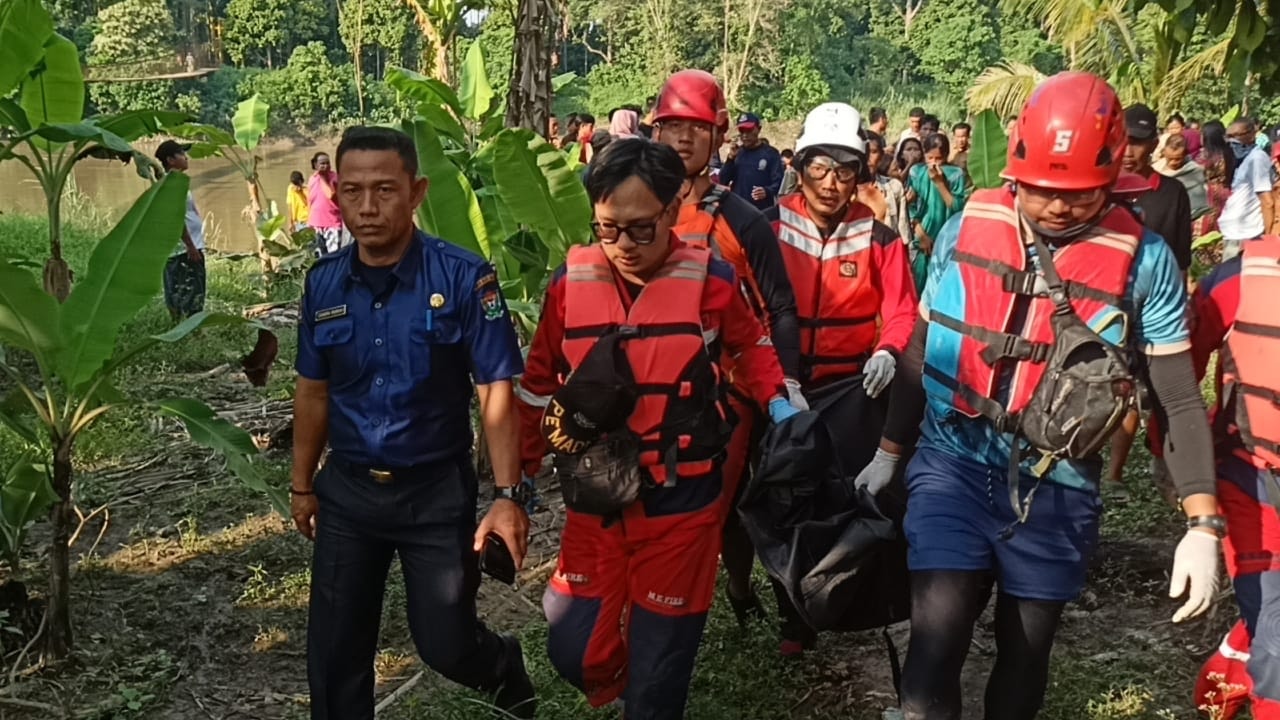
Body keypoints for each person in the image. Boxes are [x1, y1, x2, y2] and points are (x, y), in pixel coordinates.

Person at [853, 72, 1222, 720]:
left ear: (1111, 180)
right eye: (1040, 190)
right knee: (936, 637)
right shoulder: (967, 227)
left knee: (1025, 652)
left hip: (1058, 481)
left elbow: (1178, 395)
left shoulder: (1147, 262)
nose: (1056, 207)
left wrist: (1202, 522)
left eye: (1077, 195)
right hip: (952, 461)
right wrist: (890, 452)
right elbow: (922, 345)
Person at [516, 138, 796, 719]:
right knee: (572, 646)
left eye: (641, 228)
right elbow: (538, 380)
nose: (623, 244)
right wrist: (516, 475)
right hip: (597, 493)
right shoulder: (569, 285)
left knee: (659, 671)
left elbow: (751, 345)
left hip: (682, 500)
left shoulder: (713, 280)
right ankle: (625, 674)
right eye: (607, 228)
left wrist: (780, 401)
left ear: (672, 210)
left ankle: (646, 690)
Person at [290, 126, 536, 720]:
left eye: (385, 190)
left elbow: (495, 389)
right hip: (349, 491)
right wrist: (301, 485)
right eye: (353, 192)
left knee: (446, 644)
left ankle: (502, 664)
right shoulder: (323, 283)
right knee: (334, 657)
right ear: (336, 195)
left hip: (434, 492)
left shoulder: (463, 277)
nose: (367, 207)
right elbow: (313, 391)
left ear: (417, 192)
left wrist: (507, 496)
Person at [647, 68, 803, 632]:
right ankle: (734, 590)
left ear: (717, 135)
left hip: (732, 389)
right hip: (655, 386)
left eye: (696, 127)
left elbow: (780, 307)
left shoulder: (742, 220)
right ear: (656, 132)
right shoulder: (636, 214)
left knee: (740, 503)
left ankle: (781, 608)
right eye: (672, 126)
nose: (683, 138)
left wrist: (786, 388)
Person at [763, 103, 919, 653]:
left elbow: (903, 310)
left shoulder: (879, 238)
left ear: (860, 173)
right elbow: (747, 307)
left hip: (854, 387)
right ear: (801, 167)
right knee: (783, 500)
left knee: (851, 495)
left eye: (845, 170)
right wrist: (777, 380)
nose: (831, 183)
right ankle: (793, 615)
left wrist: (888, 350)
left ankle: (850, 596)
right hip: (781, 387)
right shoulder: (768, 228)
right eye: (819, 168)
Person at [1186, 236, 1280, 720]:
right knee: (1276, 633)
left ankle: (1230, 669)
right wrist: (1177, 462)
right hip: (1253, 478)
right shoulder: (1238, 277)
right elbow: (1179, 370)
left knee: (1269, 626)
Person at [1102, 103, 1194, 500]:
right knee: (1117, 386)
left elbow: (1181, 254)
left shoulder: (1172, 193)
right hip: (1109, 303)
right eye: (1125, 142)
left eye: (1139, 143)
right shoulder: (1102, 189)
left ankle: (1160, 465)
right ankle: (1111, 474)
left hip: (1157, 305)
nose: (1131, 151)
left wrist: (1183, 300)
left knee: (1156, 391)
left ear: (1154, 144)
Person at [906, 132, 968, 292]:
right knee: (918, 286)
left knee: (942, 288)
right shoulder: (916, 172)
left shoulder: (955, 174)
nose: (934, 163)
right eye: (930, 158)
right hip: (922, 239)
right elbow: (910, 209)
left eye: (938, 159)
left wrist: (940, 183)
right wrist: (921, 235)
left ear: (946, 156)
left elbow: (957, 208)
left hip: (947, 239)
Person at [156, 140, 207, 321]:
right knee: (192, 291)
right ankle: (191, 327)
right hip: (184, 250)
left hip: (182, 247)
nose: (186, 158)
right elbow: (175, 218)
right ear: (170, 160)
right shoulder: (172, 185)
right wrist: (190, 246)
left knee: (180, 290)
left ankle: (180, 325)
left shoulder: (177, 182)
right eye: (181, 154)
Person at [1221, 118, 1276, 258]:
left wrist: (1267, 236)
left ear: (1251, 135)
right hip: (1236, 233)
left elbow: (1267, 201)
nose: (1232, 141)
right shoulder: (1245, 160)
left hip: (1246, 233)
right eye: (1229, 136)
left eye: (1236, 136)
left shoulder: (1257, 159)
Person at [720, 112, 785, 210]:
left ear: (758, 129)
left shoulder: (771, 154)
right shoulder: (737, 153)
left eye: (749, 130)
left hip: (762, 210)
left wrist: (767, 191)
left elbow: (779, 182)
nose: (745, 135)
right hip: (738, 208)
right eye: (742, 131)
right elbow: (723, 180)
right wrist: (730, 159)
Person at [857, 133, 911, 243]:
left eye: (873, 152)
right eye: (864, 152)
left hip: (886, 250)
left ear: (881, 156)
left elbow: (903, 232)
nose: (868, 158)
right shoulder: (844, 190)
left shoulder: (894, 187)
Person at [1197, 120, 1238, 238]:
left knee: (1208, 227)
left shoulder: (1206, 156)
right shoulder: (1229, 152)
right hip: (1227, 191)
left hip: (1210, 194)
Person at [1159, 132, 1210, 222]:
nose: (1172, 162)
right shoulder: (1156, 170)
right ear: (1164, 153)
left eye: (1177, 159)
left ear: (1185, 154)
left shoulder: (1195, 171)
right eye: (1169, 158)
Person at [307, 152, 348, 255]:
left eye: (328, 163)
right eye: (322, 163)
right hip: (316, 224)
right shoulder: (312, 179)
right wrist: (309, 220)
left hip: (332, 224)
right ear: (316, 165)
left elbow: (330, 195)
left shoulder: (335, 178)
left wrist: (322, 177)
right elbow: (310, 200)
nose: (326, 166)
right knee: (319, 256)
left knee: (333, 255)